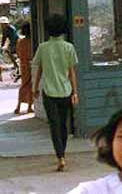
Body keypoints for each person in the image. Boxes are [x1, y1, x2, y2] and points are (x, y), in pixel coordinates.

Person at [32, 15, 79, 172]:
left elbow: (39, 69)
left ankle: (60, 156)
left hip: (49, 92)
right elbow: (72, 72)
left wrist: (35, 88)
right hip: (65, 91)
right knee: (63, 125)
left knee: (54, 125)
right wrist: (75, 92)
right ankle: (62, 154)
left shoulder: (43, 47)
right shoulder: (69, 47)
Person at [14, 22, 33, 115]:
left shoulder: (20, 41)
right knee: (30, 86)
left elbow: (18, 53)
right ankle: (29, 107)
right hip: (30, 64)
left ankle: (18, 106)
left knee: (24, 85)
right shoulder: (32, 42)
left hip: (23, 65)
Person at [0, 16, 18, 81]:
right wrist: (2, 46)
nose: (1, 25)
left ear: (5, 24)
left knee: (10, 51)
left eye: (2, 24)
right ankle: (15, 65)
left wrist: (8, 47)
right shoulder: (4, 29)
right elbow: (4, 38)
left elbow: (14, 39)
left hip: (16, 42)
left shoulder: (11, 29)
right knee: (8, 52)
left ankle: (16, 66)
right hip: (12, 43)